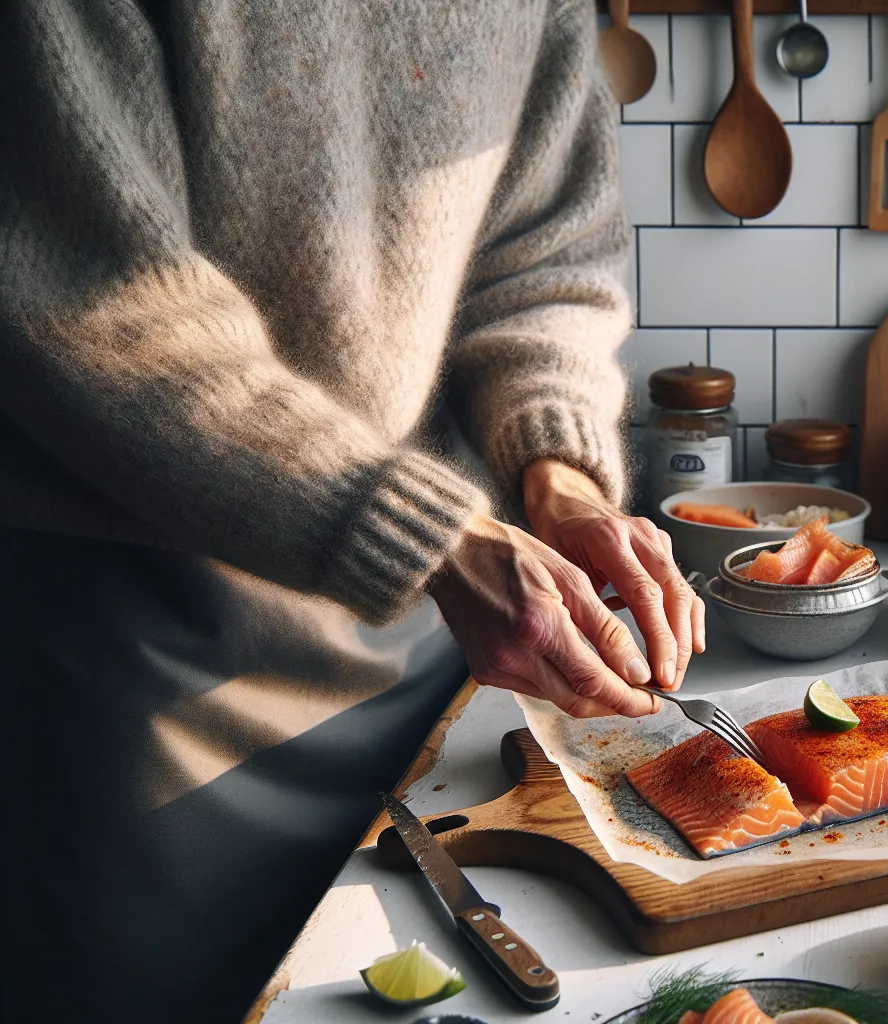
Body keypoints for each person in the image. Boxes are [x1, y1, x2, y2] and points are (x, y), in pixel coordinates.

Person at [0, 2, 696, 1020]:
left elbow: (546, 253)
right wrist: (437, 535)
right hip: (148, 667)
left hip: (432, 655)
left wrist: (560, 476)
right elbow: (86, 295)